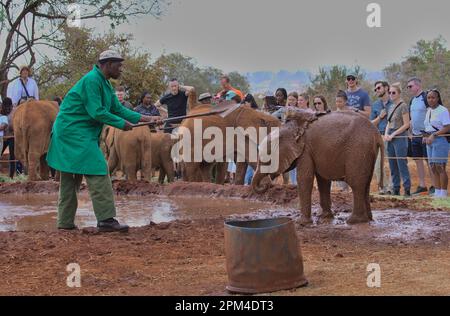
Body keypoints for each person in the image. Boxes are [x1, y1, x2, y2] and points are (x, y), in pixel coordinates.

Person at [46, 50, 161, 232]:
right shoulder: (92, 81)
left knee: (70, 177)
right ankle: (106, 220)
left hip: (77, 133)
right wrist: (122, 125)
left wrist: (148, 119)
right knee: (98, 170)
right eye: (119, 65)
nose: (121, 69)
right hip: (72, 133)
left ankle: (65, 223)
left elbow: (118, 109)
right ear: (107, 64)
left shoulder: (104, 84)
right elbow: (97, 112)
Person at [407, 77, 435, 195]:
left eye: (410, 86)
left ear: (418, 86)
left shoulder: (425, 98)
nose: (409, 88)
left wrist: (428, 134)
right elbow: (411, 118)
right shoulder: (412, 100)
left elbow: (431, 115)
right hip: (415, 136)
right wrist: (410, 132)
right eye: (408, 87)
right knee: (418, 160)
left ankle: (434, 185)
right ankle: (422, 185)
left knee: (429, 161)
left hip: (426, 136)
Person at [384, 83, 411, 197]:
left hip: (399, 135)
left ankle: (407, 189)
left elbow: (406, 124)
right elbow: (388, 123)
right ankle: (396, 188)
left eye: (393, 92)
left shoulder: (403, 106)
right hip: (390, 135)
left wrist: (393, 134)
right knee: (392, 164)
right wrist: (386, 134)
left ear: (399, 93)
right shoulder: (390, 106)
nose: (391, 94)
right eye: (389, 92)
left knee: (401, 163)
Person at [422, 89, 450, 198]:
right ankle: (437, 191)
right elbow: (427, 126)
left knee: (440, 166)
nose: (430, 99)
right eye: (428, 97)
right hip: (429, 140)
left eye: (433, 97)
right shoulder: (428, 110)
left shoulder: (443, 110)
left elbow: (447, 127)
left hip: (440, 140)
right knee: (433, 166)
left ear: (438, 98)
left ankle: (443, 193)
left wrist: (434, 135)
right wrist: (425, 137)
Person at [370, 81, 393, 194]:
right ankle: (382, 187)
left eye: (378, 88)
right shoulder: (375, 105)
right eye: (375, 89)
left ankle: (392, 187)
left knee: (394, 163)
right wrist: (380, 117)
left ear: (386, 88)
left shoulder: (395, 102)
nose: (377, 90)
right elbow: (371, 123)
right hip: (379, 137)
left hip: (394, 137)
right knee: (377, 165)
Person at [0, 97, 22, 178]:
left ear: (11, 105)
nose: (7, 109)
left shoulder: (14, 112)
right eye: (5, 107)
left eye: (9, 107)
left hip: (12, 137)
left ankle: (11, 176)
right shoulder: (2, 111)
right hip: (3, 137)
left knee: (12, 156)